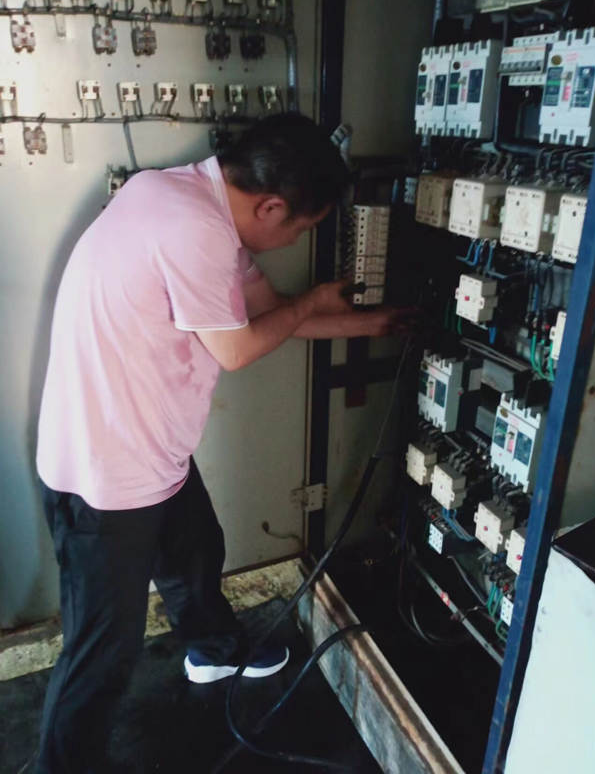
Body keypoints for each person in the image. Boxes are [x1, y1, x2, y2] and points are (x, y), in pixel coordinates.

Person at [34, 113, 406, 774]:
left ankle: (212, 650)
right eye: (300, 228)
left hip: (148, 448)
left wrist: (375, 323)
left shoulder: (179, 195)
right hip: (104, 474)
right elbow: (239, 348)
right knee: (102, 652)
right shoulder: (194, 227)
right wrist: (311, 302)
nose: (293, 240)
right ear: (271, 206)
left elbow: (270, 312)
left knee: (196, 550)